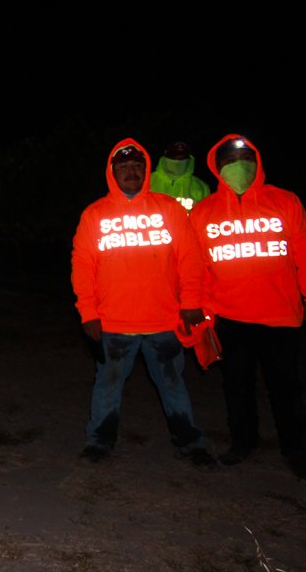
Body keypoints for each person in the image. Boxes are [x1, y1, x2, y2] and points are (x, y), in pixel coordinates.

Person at [71, 138, 216, 466]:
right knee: (107, 385)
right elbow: (82, 267)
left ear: (147, 170)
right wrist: (88, 313)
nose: (131, 172)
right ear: (112, 172)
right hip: (113, 323)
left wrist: (192, 301)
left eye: (137, 166)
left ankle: (191, 444)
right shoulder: (95, 214)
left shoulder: (168, 208)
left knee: (173, 383)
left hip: (164, 320)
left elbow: (190, 258)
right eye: (123, 167)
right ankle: (99, 442)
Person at [190, 134, 306, 481]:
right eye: (229, 160)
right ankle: (243, 443)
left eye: (245, 157)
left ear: (257, 161)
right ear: (216, 167)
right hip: (230, 317)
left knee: (286, 389)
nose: (238, 166)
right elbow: (197, 267)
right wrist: (203, 314)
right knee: (237, 387)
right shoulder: (204, 211)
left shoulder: (284, 201)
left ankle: (296, 453)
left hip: (280, 315)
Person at [149, 141, 211, 212]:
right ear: (165, 151)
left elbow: (205, 217)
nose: (180, 146)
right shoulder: (146, 182)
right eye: (175, 144)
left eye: (184, 145)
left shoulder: (202, 187)